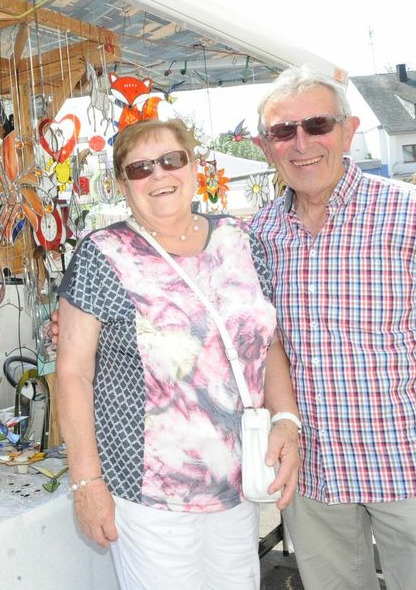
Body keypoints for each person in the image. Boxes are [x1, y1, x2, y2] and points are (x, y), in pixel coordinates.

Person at [251, 66, 416, 590]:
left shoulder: (415, 213)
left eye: (317, 125)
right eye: (283, 131)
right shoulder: (258, 232)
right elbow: (259, 342)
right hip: (316, 477)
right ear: (267, 146)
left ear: (349, 130)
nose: (301, 143)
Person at [56, 117, 300, 590]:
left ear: (194, 166)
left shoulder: (239, 239)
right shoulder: (103, 254)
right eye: (141, 168)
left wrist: (287, 419)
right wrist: (86, 483)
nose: (160, 175)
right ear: (123, 185)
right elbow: (73, 374)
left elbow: (266, 341)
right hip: (149, 492)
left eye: (171, 160)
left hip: (237, 484)